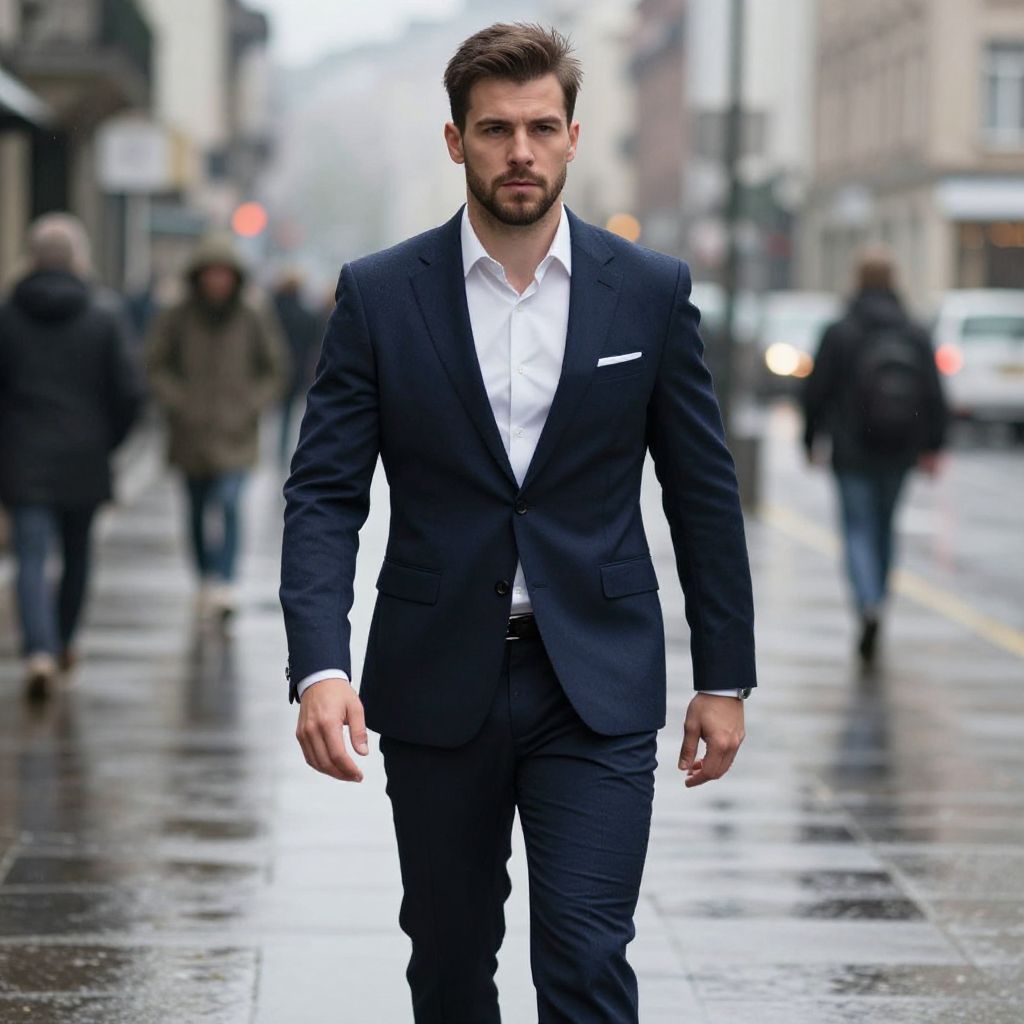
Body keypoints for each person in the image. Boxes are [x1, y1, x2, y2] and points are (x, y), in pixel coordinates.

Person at [280, 24, 755, 1024]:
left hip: (594, 677)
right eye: (495, 130)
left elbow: (701, 490)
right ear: (456, 142)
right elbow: (324, 493)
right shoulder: (378, 295)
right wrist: (319, 666)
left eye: (542, 128)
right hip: (435, 672)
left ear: (575, 137)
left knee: (586, 958)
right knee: (450, 964)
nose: (521, 152)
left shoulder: (650, 292)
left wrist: (723, 675)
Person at [0, 213, 142, 701]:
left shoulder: (7, 314)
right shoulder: (104, 315)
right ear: (79, 258)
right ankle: (63, 644)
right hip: (85, 454)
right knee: (78, 555)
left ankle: (37, 649)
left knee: (32, 556)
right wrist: (106, 441)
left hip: (22, 455)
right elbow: (128, 393)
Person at [803, 246, 948, 663]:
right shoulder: (914, 331)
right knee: (885, 527)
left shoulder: (841, 330)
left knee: (857, 529)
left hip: (851, 450)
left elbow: (817, 391)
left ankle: (866, 602)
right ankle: (879, 599)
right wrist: (934, 445)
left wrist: (810, 439)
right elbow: (934, 393)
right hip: (899, 448)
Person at [147, 234, 288, 619]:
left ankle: (225, 582)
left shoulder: (252, 315)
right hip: (190, 436)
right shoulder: (177, 315)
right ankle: (205, 578)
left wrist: (252, 404)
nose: (217, 281)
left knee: (228, 504)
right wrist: (178, 402)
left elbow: (274, 367)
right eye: (210, 273)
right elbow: (156, 364)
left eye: (223, 274)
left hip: (236, 434)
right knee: (194, 510)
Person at [271, 271, 320, 464]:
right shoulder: (306, 315)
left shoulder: (273, 310)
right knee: (287, 412)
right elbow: (312, 344)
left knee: (277, 410)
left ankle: (278, 449)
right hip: (296, 369)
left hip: (278, 368)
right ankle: (282, 449)